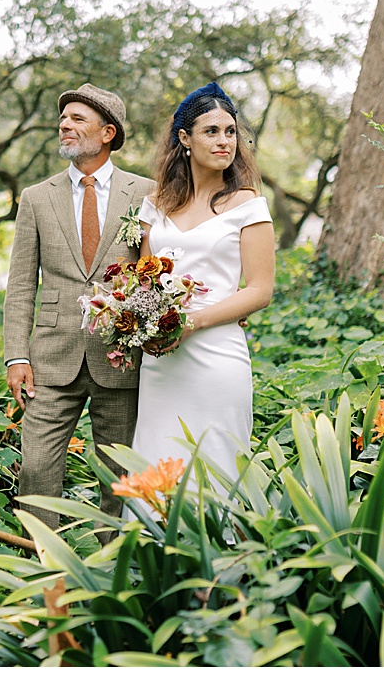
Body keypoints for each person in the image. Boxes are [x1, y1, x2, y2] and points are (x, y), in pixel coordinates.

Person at [3, 83, 155, 536]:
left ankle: (108, 568)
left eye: (77, 119)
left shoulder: (146, 192)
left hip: (119, 357)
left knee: (118, 476)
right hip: (50, 357)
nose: (64, 125)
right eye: (63, 118)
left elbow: (161, 268)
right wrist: (16, 355)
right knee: (36, 470)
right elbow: (19, 284)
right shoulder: (36, 197)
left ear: (108, 132)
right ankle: (43, 563)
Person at [131, 81, 275, 486]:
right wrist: (142, 324)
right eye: (211, 131)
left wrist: (189, 323)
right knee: (158, 466)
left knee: (215, 466)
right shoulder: (155, 204)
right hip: (162, 365)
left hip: (217, 358)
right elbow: (145, 280)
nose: (224, 141)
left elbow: (259, 290)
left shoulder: (248, 205)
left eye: (230, 131)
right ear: (185, 139)